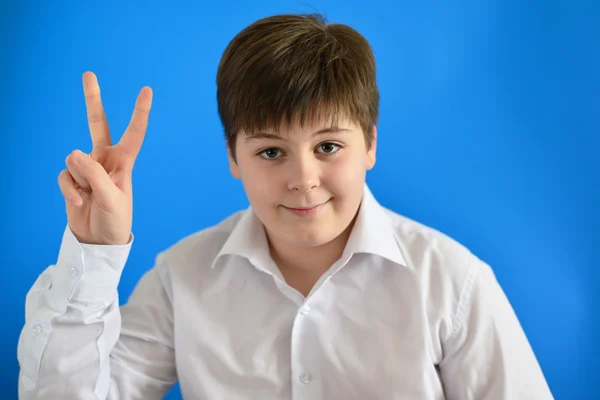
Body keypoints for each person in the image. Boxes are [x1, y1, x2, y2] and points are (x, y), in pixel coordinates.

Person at [17, 12, 554, 400]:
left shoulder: (452, 282)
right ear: (232, 156)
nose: (303, 179)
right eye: (271, 151)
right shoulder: (182, 278)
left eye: (328, 147)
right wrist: (95, 252)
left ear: (369, 144)